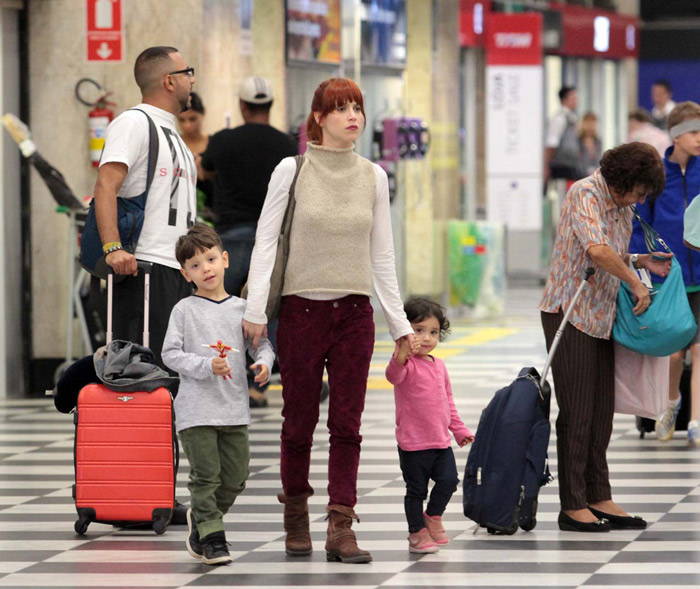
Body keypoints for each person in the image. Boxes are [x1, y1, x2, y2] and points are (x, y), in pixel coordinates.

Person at [242, 77, 415, 564]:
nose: (352, 117)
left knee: (348, 423)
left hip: (354, 315)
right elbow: (267, 241)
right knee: (298, 421)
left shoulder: (374, 177)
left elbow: (382, 256)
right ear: (318, 118)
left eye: (356, 107)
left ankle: (342, 525)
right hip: (300, 312)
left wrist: (399, 324)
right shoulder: (290, 170)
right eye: (339, 109)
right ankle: (295, 515)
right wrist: (256, 308)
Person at [540, 142, 672, 532]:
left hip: (600, 315)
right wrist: (635, 282)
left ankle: (599, 495)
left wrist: (638, 260)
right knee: (578, 412)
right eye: (642, 190)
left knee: (601, 414)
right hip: (569, 313)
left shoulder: (622, 207)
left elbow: (608, 251)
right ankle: (572, 504)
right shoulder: (584, 193)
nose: (643, 198)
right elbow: (596, 251)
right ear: (624, 180)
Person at [162, 224, 274, 565]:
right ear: (185, 274)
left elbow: (262, 345)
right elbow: (170, 354)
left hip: (234, 411)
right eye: (195, 265)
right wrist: (206, 365)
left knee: (236, 477)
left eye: (210, 259)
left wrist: (265, 363)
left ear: (225, 259)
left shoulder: (243, 309)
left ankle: (203, 517)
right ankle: (213, 537)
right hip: (196, 411)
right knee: (205, 476)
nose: (205, 269)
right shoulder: (184, 310)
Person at [93, 46, 197, 368]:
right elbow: (105, 185)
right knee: (144, 376)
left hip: (178, 269)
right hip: (146, 270)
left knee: (173, 376)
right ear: (169, 81)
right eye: (187, 73)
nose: (192, 80)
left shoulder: (173, 133)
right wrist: (113, 248)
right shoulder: (133, 123)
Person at [201, 76, 297, 408]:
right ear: (270, 106)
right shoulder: (286, 143)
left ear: (243, 106)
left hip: (231, 236)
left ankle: (227, 379)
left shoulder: (223, 140)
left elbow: (205, 169)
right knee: (264, 308)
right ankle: (260, 380)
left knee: (226, 308)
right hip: (272, 238)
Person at [631, 102, 700, 448]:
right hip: (669, 275)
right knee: (676, 353)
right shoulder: (659, 174)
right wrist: (641, 263)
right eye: (694, 132)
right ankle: (671, 404)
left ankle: (696, 421)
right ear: (676, 135)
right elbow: (639, 222)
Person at [385, 298, 474, 554]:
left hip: (440, 441)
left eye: (433, 332)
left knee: (449, 481)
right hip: (413, 444)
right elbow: (393, 376)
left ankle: (433, 516)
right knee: (416, 491)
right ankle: (416, 533)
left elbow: (448, 402)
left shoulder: (439, 365)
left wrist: (459, 430)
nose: (426, 338)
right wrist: (401, 354)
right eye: (418, 330)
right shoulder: (404, 364)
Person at [177, 92, 214, 223]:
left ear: (202, 115)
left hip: (209, 213)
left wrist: (205, 173)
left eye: (192, 119)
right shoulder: (174, 144)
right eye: (181, 120)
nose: (187, 125)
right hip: (178, 211)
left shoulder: (213, 144)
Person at [545, 86, 583, 185]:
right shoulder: (560, 118)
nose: (576, 100)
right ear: (564, 100)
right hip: (561, 165)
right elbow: (551, 143)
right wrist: (546, 166)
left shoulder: (572, 118)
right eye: (573, 98)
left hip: (571, 164)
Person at [578, 112, 602, 177]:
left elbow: (599, 160)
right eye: (588, 123)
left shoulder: (597, 141)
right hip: (579, 176)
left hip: (594, 176)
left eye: (593, 123)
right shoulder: (578, 140)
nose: (591, 125)